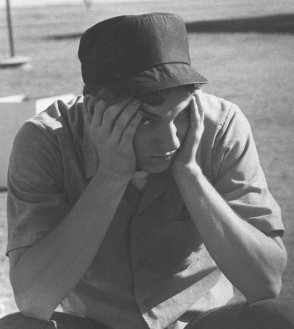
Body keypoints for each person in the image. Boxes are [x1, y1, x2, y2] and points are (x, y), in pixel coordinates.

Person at [1, 12, 293, 329]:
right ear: (92, 107)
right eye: (146, 119)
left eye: (179, 116)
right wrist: (110, 177)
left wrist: (189, 172)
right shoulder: (46, 140)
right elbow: (33, 299)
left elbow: (266, 284)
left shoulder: (221, 126)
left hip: (204, 322)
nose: (169, 140)